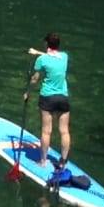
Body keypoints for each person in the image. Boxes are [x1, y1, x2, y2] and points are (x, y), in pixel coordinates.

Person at [27, 33, 72, 169]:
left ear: (46, 44)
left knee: (46, 131)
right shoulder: (64, 57)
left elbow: (35, 79)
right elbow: (53, 56)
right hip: (63, 98)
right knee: (64, 131)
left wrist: (27, 92)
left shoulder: (42, 60)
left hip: (47, 98)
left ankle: (43, 161)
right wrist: (37, 53)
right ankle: (63, 162)